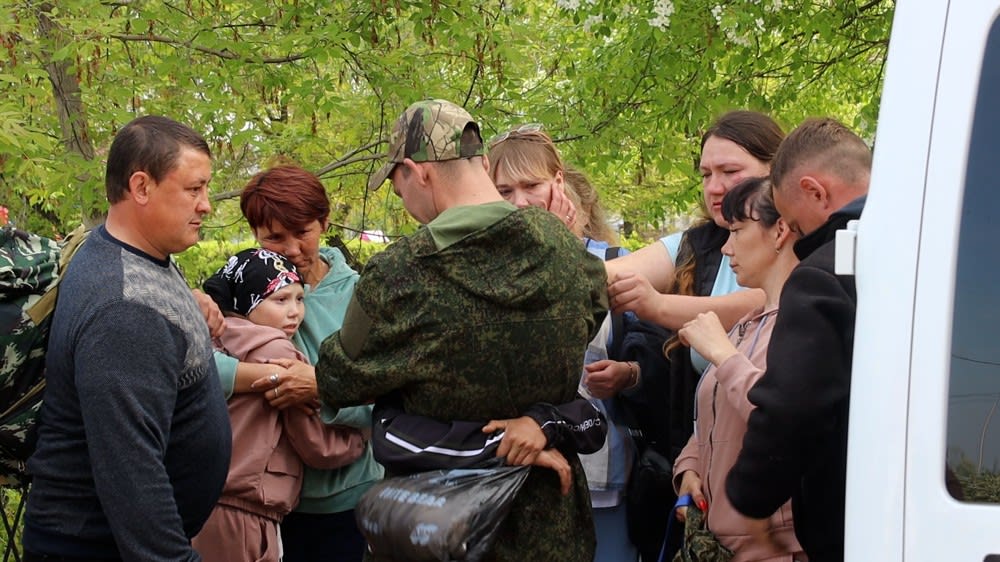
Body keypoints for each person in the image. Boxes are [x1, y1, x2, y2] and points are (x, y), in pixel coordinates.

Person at [314, 99, 608, 561]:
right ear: (485, 164)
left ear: (418, 172)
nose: (405, 203)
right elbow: (590, 319)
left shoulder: (399, 275)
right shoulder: (573, 255)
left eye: (399, 188)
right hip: (552, 527)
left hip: (437, 528)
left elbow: (336, 378)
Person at [23, 115, 231, 561]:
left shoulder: (129, 253)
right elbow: (132, 477)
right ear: (141, 187)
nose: (207, 205)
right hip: (95, 547)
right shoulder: (124, 311)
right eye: (194, 189)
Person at [606, 111, 785, 560]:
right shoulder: (698, 244)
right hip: (709, 488)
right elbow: (608, 275)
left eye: (730, 171)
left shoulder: (794, 254)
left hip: (775, 508)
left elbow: (749, 306)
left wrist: (656, 305)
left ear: (776, 172)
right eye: (706, 174)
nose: (715, 187)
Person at [197, 165, 383, 562]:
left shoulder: (363, 295)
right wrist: (266, 377)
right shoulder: (240, 287)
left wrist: (320, 386)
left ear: (325, 222)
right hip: (257, 502)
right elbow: (195, 368)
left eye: (303, 232)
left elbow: (386, 395)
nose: (292, 249)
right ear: (256, 234)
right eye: (275, 237)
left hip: (343, 500)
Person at [487, 125, 639, 561]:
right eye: (504, 190)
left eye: (530, 186)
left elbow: (654, 356)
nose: (519, 201)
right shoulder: (484, 270)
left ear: (558, 182)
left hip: (601, 473)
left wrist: (629, 373)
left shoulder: (613, 263)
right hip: (513, 475)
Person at [724, 118, 871, 562]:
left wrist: (750, 497)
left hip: (853, 523)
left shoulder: (823, 275)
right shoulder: (935, 248)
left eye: (795, 225)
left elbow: (794, 405)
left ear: (815, 192)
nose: (798, 240)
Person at [672, 177, 804, 561]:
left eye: (737, 230)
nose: (726, 247)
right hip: (724, 545)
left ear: (779, 230)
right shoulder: (748, 323)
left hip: (779, 549)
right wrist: (690, 468)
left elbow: (781, 417)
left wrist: (723, 355)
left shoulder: (804, 322)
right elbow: (714, 414)